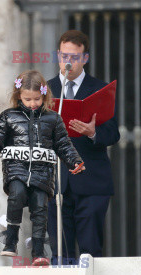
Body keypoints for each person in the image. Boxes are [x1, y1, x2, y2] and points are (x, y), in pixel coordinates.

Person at [0, 70, 84, 266]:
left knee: (40, 208)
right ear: (18, 96)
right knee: (17, 195)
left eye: (37, 99)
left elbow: (63, 144)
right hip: (16, 171)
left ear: (44, 95)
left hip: (42, 174)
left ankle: (39, 252)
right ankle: (11, 238)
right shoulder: (8, 117)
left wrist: (74, 161)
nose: (33, 103)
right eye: (27, 99)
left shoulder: (53, 119)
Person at [47, 30, 120, 263]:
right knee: (60, 252)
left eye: (75, 57)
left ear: (85, 58)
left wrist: (93, 132)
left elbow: (114, 133)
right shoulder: (43, 91)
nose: (69, 62)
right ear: (58, 55)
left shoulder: (100, 89)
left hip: (91, 181)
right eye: (64, 56)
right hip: (55, 182)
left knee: (90, 251)